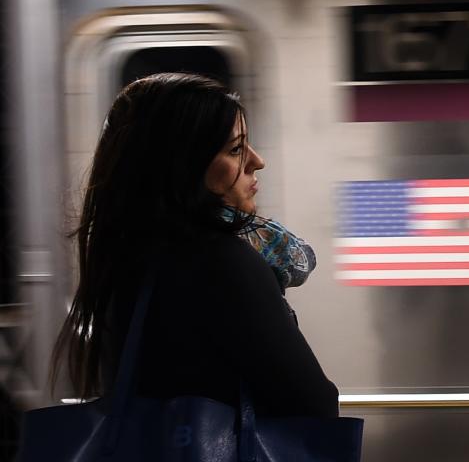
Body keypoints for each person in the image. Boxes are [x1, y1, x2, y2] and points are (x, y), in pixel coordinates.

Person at [50, 72, 338, 418]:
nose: (256, 160)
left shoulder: (128, 257)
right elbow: (312, 401)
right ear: (183, 167)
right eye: (235, 149)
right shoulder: (224, 262)